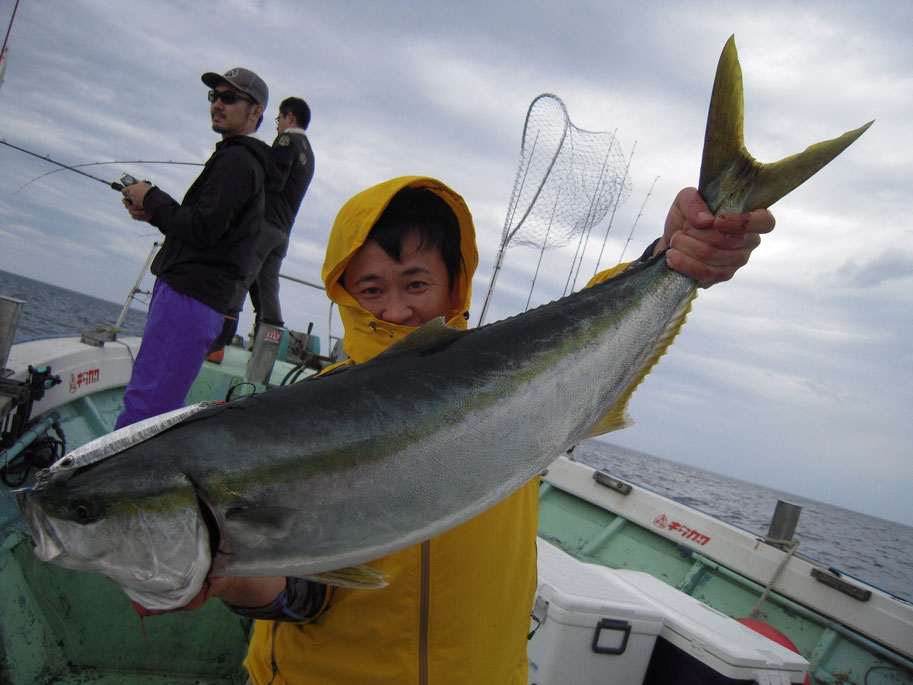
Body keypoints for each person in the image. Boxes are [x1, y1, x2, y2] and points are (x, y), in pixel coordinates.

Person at [174, 176, 774, 684]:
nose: (395, 309)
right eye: (370, 289)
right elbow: (297, 598)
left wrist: (673, 253)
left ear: (453, 281)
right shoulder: (306, 416)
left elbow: (582, 327)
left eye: (415, 283)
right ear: (345, 295)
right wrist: (232, 579)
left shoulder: (506, 385)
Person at [115, 67, 278, 429]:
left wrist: (153, 198)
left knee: (146, 407)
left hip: (189, 298)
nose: (218, 104)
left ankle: (113, 484)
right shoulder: (237, 160)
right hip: (191, 298)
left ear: (256, 113)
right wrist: (151, 210)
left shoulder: (238, 161)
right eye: (214, 96)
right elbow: (209, 227)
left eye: (229, 97)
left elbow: (203, 229)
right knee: (152, 400)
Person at [206, 96, 315, 360]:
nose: (277, 125)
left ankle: (216, 346)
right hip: (282, 233)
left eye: (278, 119)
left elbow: (274, 178)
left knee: (240, 277)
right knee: (268, 291)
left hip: (265, 226)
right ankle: (267, 355)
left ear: (290, 117)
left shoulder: (287, 141)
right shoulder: (309, 154)